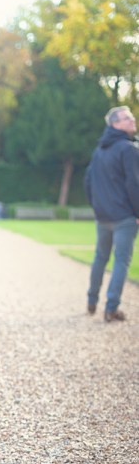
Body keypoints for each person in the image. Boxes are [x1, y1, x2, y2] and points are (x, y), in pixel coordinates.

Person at [85, 106, 139, 322]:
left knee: (100, 258)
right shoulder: (128, 149)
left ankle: (92, 301)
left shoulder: (99, 151)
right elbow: (134, 184)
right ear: (115, 124)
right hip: (124, 216)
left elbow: (88, 182)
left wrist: (97, 206)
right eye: (127, 118)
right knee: (121, 261)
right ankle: (111, 308)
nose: (132, 120)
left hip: (103, 216)